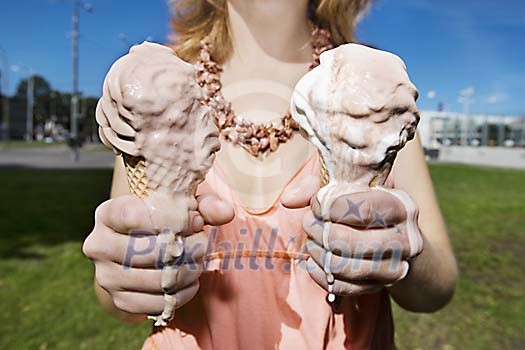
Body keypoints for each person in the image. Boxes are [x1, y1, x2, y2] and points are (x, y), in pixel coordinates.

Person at [82, 0, 458, 349]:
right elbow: (119, 304)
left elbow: (436, 291)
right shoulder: (153, 93)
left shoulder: (376, 92)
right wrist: (126, 274)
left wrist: (400, 249)